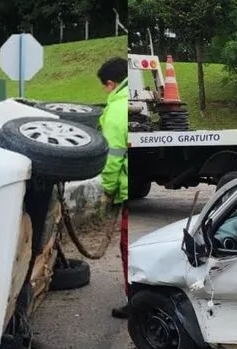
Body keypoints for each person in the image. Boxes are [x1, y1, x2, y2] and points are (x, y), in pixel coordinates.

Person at [96, 57, 130, 319]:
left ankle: (135, 302)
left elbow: (113, 156)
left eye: (105, 87)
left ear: (111, 84)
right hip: (131, 186)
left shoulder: (117, 109)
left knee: (128, 246)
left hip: (126, 189)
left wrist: (108, 189)